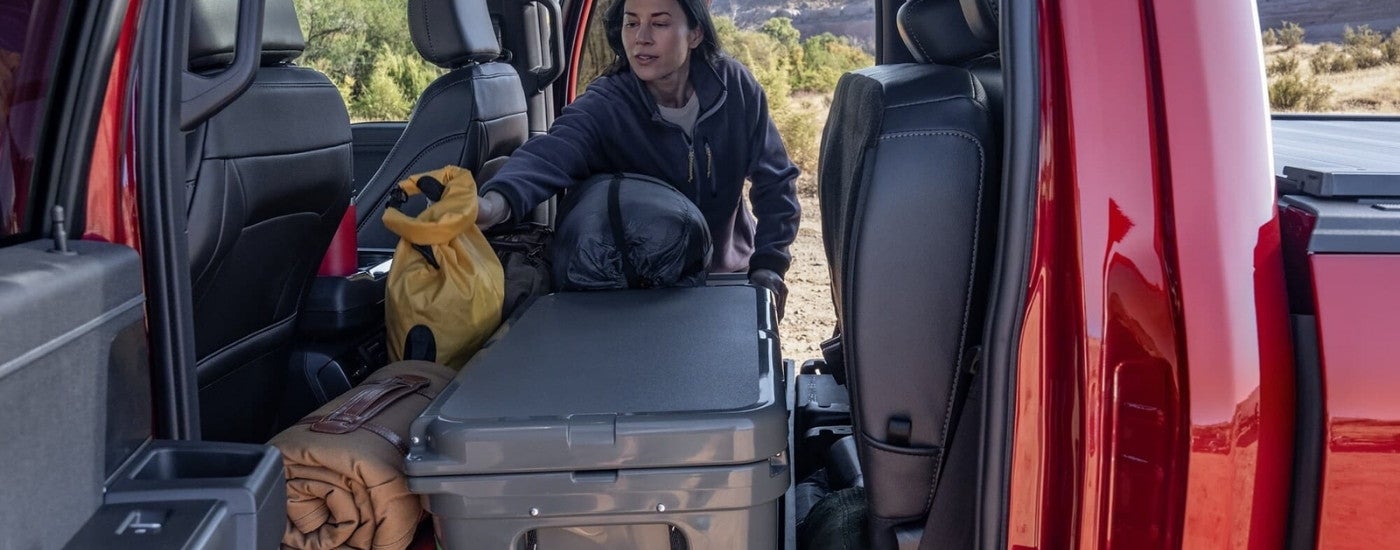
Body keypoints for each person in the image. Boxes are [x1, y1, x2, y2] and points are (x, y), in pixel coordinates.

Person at [475, 0, 800, 317]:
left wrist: (770, 267)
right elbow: (553, 151)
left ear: (695, 33)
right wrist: (495, 202)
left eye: (659, 23)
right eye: (632, 22)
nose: (641, 37)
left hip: (730, 277)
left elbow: (776, 184)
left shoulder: (734, 88)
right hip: (647, 290)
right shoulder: (608, 103)